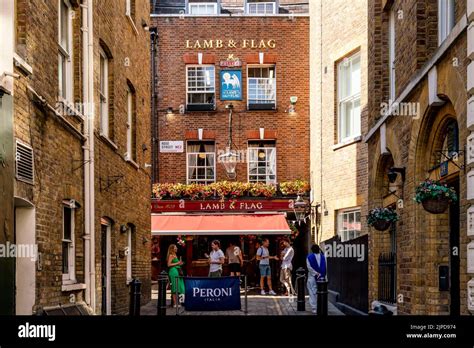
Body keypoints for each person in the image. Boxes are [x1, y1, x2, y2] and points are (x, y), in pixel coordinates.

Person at [306, 244, 327, 314]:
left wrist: (316, 273)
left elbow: (309, 268)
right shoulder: (323, 257)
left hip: (312, 277)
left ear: (312, 250)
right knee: (321, 292)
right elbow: (326, 267)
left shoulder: (309, 257)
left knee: (312, 292)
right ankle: (321, 306)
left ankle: (314, 308)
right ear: (319, 249)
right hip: (322, 277)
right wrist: (322, 275)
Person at [167, 244, 185, 308]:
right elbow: (169, 265)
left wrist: (180, 263)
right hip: (173, 272)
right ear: (172, 249)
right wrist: (178, 263)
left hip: (177, 271)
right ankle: (175, 303)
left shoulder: (175, 255)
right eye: (175, 248)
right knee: (175, 287)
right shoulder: (171, 255)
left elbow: (176, 264)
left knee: (180, 287)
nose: (176, 249)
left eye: (176, 248)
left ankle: (179, 302)